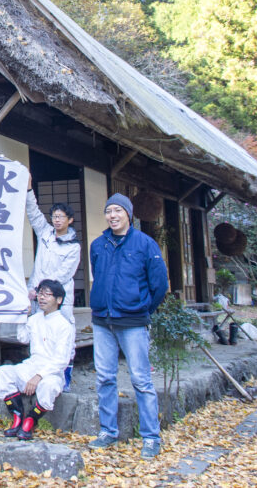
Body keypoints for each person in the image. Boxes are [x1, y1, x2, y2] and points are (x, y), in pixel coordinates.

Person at [87, 194, 169, 459]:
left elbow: (159, 285)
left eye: (118, 210)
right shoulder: (98, 245)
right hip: (102, 320)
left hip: (132, 321)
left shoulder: (145, 244)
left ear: (128, 214)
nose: (112, 215)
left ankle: (150, 437)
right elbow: (96, 274)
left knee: (141, 379)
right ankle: (108, 431)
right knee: (104, 377)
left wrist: (143, 308)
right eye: (108, 210)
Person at [0, 279, 75, 441]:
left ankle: (31, 420)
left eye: (47, 294)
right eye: (40, 293)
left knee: (49, 387)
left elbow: (61, 360)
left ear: (59, 300)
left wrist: (39, 376)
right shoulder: (35, 319)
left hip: (51, 371)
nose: (42, 298)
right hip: (32, 365)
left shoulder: (64, 325)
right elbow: (23, 338)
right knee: (2, 373)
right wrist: (24, 315)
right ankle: (17, 416)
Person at [25, 174, 81, 389]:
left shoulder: (73, 247)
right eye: (55, 216)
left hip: (59, 298)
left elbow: (64, 274)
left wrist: (42, 290)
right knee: (37, 334)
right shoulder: (46, 233)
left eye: (61, 217)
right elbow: (34, 214)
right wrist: (29, 190)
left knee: (64, 336)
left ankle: (64, 376)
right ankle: (37, 374)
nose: (57, 220)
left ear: (69, 220)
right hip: (38, 296)